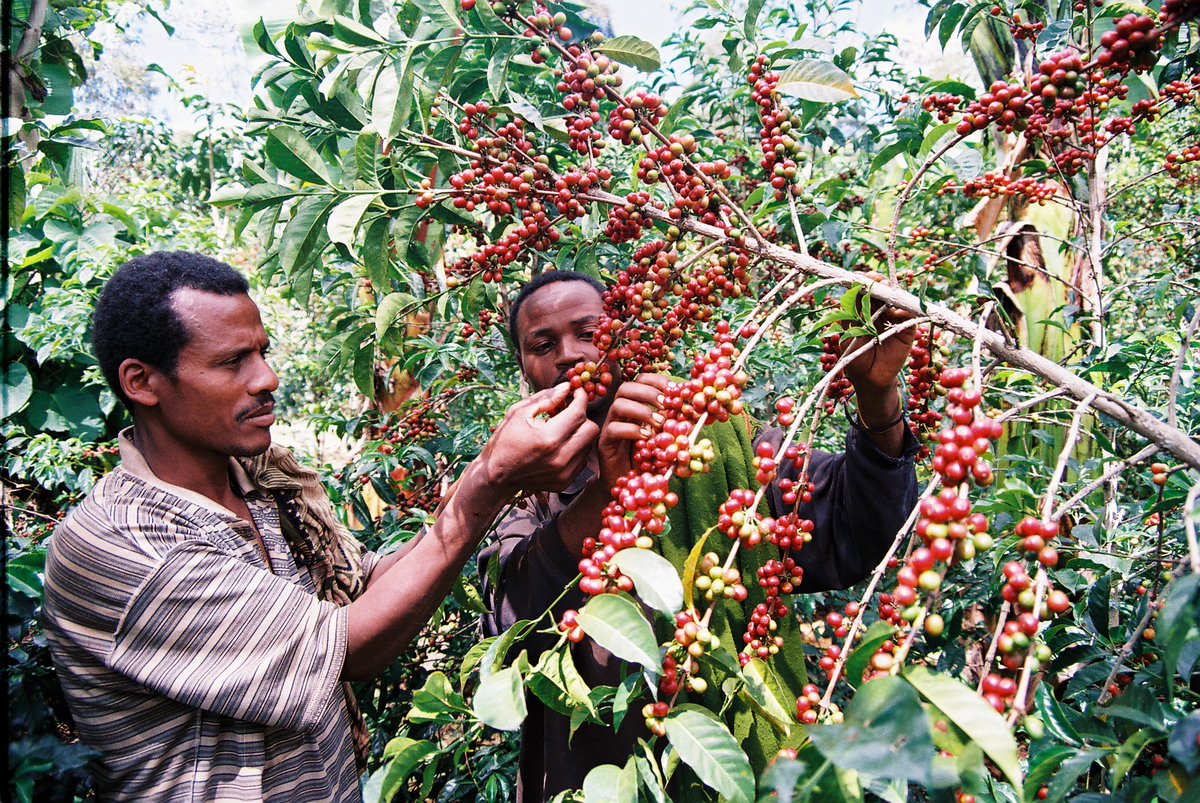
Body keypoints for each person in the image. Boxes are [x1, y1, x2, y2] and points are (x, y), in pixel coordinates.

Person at [40, 252, 597, 801]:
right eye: (232, 363)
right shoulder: (127, 544)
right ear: (142, 382)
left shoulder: (260, 481)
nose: (267, 378)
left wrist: (490, 468)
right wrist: (491, 483)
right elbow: (347, 649)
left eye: (262, 352)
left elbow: (364, 587)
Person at [479, 270, 921, 801]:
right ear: (525, 368)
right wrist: (606, 496)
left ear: (626, 336)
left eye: (589, 332)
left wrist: (877, 397)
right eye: (542, 345)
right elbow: (510, 622)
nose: (570, 355)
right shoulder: (517, 488)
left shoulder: (715, 445)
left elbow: (862, 530)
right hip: (588, 777)